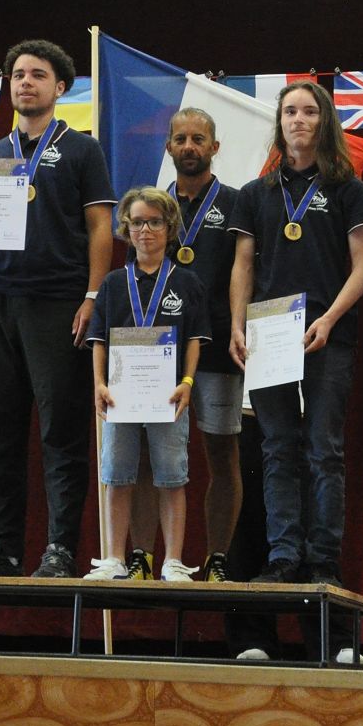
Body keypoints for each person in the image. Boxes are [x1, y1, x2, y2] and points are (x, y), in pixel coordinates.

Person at [0, 40, 116, 579]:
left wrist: (92, 296)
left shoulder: (82, 149)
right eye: (18, 74)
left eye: (37, 75)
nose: (25, 82)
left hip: (57, 300)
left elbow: (101, 227)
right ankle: (5, 548)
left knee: (60, 430)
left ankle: (60, 548)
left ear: (60, 87)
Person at [228, 80, 363, 590]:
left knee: (324, 448)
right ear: (280, 122)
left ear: (324, 121)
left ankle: (323, 560)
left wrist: (330, 317)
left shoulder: (348, 188)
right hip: (269, 330)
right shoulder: (256, 193)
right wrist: (237, 324)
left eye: (309, 111)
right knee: (276, 447)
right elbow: (243, 264)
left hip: (326, 332)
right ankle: (283, 555)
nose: (298, 120)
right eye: (290, 111)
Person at [85, 188, 207, 580]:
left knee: (171, 476)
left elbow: (194, 339)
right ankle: (114, 558)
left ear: (170, 228)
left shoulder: (186, 282)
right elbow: (99, 340)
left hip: (168, 394)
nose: (145, 230)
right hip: (120, 394)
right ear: (126, 228)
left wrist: (187, 382)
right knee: (117, 475)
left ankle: (172, 560)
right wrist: (99, 384)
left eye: (155, 222)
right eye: (137, 222)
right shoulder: (112, 284)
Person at [165, 108, 244, 580]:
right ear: (169, 148)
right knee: (156, 456)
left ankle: (218, 560)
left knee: (221, 453)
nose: (189, 146)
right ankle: (152, 557)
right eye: (181, 139)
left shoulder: (236, 203)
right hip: (160, 349)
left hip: (216, 346)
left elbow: (247, 270)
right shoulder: (153, 206)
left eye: (198, 139)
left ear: (215, 147)